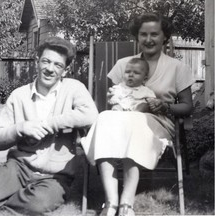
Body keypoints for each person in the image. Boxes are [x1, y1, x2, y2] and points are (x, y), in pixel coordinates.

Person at [0, 36, 98, 215]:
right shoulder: (19, 95)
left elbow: (91, 115)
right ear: (36, 61)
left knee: (38, 205)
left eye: (58, 65)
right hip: (19, 168)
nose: (50, 69)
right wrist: (20, 128)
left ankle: (3, 194)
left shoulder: (73, 88)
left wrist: (50, 123)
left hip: (56, 175)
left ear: (65, 70)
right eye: (46, 61)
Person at [82, 13, 193, 216]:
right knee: (106, 118)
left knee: (134, 121)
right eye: (143, 34)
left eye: (154, 34)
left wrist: (166, 107)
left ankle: (127, 201)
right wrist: (112, 99)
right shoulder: (124, 64)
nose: (148, 39)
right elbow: (107, 100)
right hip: (123, 118)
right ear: (137, 37)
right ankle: (111, 200)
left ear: (164, 37)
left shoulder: (178, 67)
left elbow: (187, 107)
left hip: (157, 121)